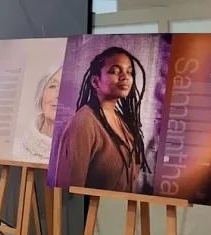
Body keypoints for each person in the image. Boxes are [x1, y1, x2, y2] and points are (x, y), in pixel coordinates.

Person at [54, 47, 150, 193]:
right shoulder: (83, 124)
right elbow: (68, 191)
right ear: (95, 82)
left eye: (129, 72)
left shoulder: (122, 122)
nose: (125, 77)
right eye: (115, 71)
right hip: (95, 213)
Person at [13, 66, 62, 164]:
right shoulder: (15, 150)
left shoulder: (87, 157)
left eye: (67, 88)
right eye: (52, 86)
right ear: (41, 94)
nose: (59, 94)